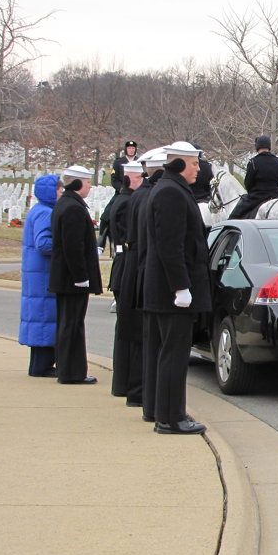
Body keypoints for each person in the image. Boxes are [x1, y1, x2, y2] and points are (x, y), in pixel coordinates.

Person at [142, 142, 211, 434]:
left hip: (169, 290)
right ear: (182, 163)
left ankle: (167, 412)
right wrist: (181, 287)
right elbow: (171, 246)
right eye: (195, 164)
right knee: (174, 354)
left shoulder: (171, 188)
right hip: (172, 293)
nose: (198, 169)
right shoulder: (171, 191)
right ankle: (171, 418)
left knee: (171, 353)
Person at [120, 148, 166, 412]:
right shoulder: (152, 196)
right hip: (144, 267)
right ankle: (144, 395)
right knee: (147, 339)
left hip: (135, 265)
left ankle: (137, 391)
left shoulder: (140, 194)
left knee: (140, 338)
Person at [49, 165, 103, 384]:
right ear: (79, 183)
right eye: (88, 182)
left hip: (65, 278)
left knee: (68, 322)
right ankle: (72, 372)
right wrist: (81, 276)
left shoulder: (67, 203)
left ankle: (67, 368)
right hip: (72, 279)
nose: (89, 186)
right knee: (72, 324)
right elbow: (74, 246)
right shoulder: (72, 207)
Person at [18, 174, 64, 377]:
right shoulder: (45, 213)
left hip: (36, 273)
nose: (62, 193)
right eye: (59, 189)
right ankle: (42, 365)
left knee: (40, 317)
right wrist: (65, 246)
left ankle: (39, 363)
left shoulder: (38, 210)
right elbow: (44, 243)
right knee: (46, 316)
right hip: (43, 273)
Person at [109, 160, 145, 399]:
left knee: (125, 329)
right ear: (131, 178)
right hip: (125, 265)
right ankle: (124, 383)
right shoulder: (126, 202)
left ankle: (122, 383)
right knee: (128, 330)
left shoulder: (122, 200)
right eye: (140, 177)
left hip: (123, 265)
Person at [228, 135, 278, 219]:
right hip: (275, 195)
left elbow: (248, 184)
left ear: (257, 146)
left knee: (234, 216)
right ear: (269, 146)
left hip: (257, 197)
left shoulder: (253, 162)